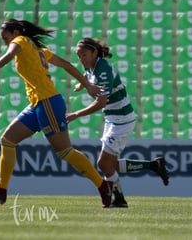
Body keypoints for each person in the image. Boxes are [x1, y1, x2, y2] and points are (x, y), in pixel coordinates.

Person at [0, 19, 113, 208]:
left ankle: (103, 186)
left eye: (6, 38)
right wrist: (87, 84)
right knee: (7, 140)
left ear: (16, 33)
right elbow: (66, 65)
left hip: (48, 101)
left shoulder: (21, 41)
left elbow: (9, 55)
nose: (7, 43)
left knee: (64, 151)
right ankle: (1, 191)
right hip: (37, 104)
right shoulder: (37, 50)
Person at [66, 37, 169, 208]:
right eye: (78, 56)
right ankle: (154, 165)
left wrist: (75, 114)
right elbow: (88, 74)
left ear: (94, 53)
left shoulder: (103, 70)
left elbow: (101, 103)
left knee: (103, 163)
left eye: (84, 55)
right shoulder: (91, 66)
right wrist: (83, 84)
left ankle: (119, 198)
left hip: (121, 119)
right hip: (113, 119)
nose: (81, 59)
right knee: (110, 165)